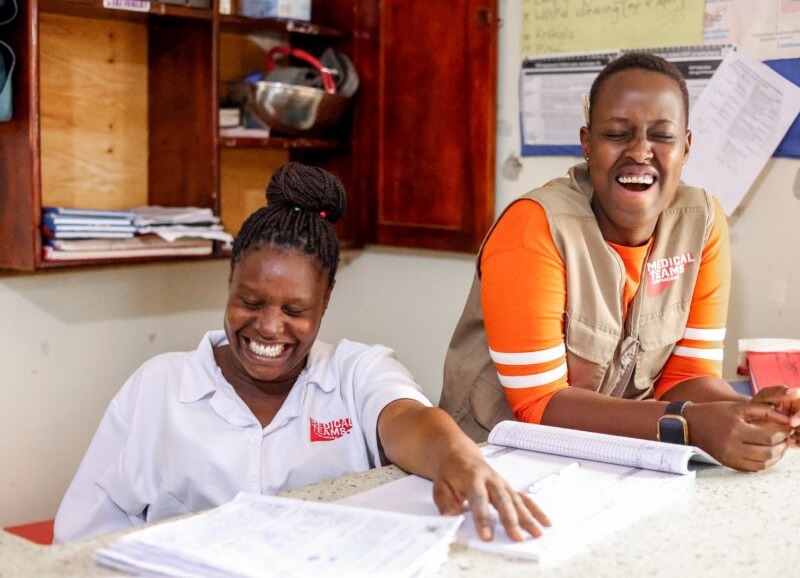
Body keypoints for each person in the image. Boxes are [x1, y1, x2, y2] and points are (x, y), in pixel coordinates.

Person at [55, 162, 549, 544]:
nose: (269, 326)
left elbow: (411, 420)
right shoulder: (158, 388)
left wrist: (458, 458)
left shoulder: (356, 373)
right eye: (250, 302)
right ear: (229, 286)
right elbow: (82, 536)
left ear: (326, 300)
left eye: (295, 308)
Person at [440, 53, 800, 471]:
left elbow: (683, 377)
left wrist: (754, 410)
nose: (640, 152)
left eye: (661, 136)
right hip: (491, 463)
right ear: (587, 144)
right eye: (616, 133)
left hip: (608, 463)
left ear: (685, 147)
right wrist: (688, 425)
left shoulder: (702, 223)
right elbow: (539, 407)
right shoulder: (536, 227)